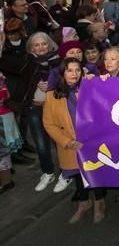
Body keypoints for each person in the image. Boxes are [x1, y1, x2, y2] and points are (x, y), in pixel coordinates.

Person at [43, 58, 107, 223]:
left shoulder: (90, 89)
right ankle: (84, 203)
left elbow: (104, 111)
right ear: (62, 73)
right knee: (78, 176)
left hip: (92, 142)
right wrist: (67, 142)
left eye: (77, 70)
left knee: (95, 173)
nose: (74, 74)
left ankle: (99, 203)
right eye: (69, 70)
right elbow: (49, 123)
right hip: (70, 144)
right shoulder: (51, 95)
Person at [0, 31, 62, 192]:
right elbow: (4, 61)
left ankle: (65, 172)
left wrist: (52, 83)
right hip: (34, 108)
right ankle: (48, 172)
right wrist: (2, 40)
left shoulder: (58, 62)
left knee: (60, 142)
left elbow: (68, 82)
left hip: (55, 108)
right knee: (41, 144)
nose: (41, 47)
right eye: (36, 44)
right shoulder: (27, 63)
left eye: (43, 44)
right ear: (31, 48)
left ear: (49, 45)